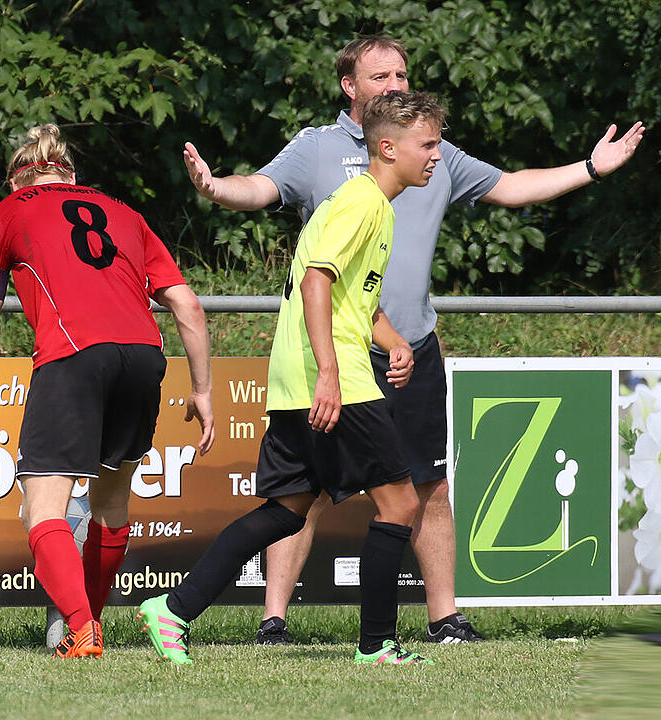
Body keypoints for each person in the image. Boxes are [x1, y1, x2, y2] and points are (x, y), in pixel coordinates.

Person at [182, 35, 645, 645]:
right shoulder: (339, 169)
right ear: (351, 88)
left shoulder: (418, 160)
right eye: (381, 76)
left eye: (402, 74)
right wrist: (216, 188)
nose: (396, 85)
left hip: (403, 346)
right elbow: (295, 241)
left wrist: (590, 168)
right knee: (319, 500)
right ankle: (302, 626)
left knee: (410, 490)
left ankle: (432, 620)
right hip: (339, 358)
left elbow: (508, 186)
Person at [139, 91, 445, 666]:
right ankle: (378, 646)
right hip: (335, 380)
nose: (436, 155)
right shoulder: (363, 202)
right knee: (401, 505)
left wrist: (396, 342)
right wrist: (329, 372)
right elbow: (316, 282)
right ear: (387, 148)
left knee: (285, 511)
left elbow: (356, 302)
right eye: (427, 144)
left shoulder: (373, 206)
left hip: (296, 381)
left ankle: (174, 610)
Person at [0, 124, 215, 659]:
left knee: (42, 509)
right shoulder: (125, 213)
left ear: (16, 180)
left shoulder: (6, 213)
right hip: (144, 355)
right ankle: (89, 623)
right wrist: (202, 390)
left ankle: (79, 629)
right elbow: (188, 306)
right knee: (111, 504)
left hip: (73, 353)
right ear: (72, 177)